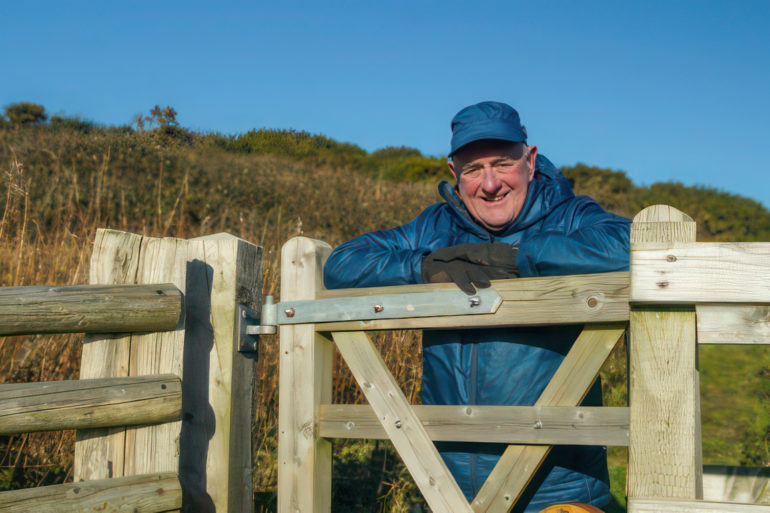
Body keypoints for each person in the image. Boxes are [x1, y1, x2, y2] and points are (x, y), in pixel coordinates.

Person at [323, 101, 630, 512]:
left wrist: (519, 257)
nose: (489, 184)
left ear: (530, 160)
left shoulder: (571, 215)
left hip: (558, 493)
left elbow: (631, 244)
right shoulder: (434, 227)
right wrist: (424, 265)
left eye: (502, 163)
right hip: (445, 489)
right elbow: (342, 264)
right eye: (472, 169)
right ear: (454, 173)